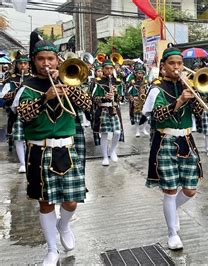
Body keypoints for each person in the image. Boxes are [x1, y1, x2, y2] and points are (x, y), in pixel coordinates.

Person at [16, 36, 92, 265]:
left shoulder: (70, 80)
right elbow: (23, 115)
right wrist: (44, 98)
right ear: (33, 61)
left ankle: (64, 225)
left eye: (50, 59)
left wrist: (68, 86)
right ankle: (51, 249)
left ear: (58, 61)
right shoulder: (27, 86)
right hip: (40, 151)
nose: (46, 63)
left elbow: (88, 106)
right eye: (41, 59)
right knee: (46, 203)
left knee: (71, 202)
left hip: (67, 149)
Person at [146, 46, 204, 250]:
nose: (177, 67)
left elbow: (199, 113)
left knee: (190, 190)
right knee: (170, 191)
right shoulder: (156, 87)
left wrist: (197, 93)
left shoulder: (186, 84)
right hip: (165, 141)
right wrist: (179, 101)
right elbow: (157, 116)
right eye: (172, 63)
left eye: (180, 63)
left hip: (186, 140)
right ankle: (172, 233)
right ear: (163, 67)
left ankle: (172, 210)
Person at [1, 52, 32, 173]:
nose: (23, 66)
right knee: (18, 138)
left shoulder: (34, 78)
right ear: (17, 65)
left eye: (25, 63)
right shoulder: (12, 79)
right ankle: (23, 163)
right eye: (20, 63)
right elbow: (3, 96)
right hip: (16, 111)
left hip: (32, 110)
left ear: (29, 65)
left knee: (31, 137)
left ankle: (30, 160)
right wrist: (15, 92)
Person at [91, 59, 125, 166]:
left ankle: (112, 151)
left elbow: (122, 99)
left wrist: (116, 95)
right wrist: (104, 97)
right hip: (103, 110)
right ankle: (105, 157)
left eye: (111, 68)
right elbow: (93, 98)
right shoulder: (97, 82)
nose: (109, 71)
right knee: (104, 134)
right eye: (107, 68)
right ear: (103, 69)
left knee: (117, 132)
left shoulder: (118, 82)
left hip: (114, 109)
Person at [127, 63, 149, 137]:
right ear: (135, 73)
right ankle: (137, 130)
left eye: (142, 73)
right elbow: (128, 91)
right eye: (138, 73)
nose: (140, 75)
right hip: (136, 100)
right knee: (137, 117)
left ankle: (143, 129)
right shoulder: (132, 82)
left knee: (148, 116)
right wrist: (132, 99)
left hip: (144, 100)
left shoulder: (146, 81)